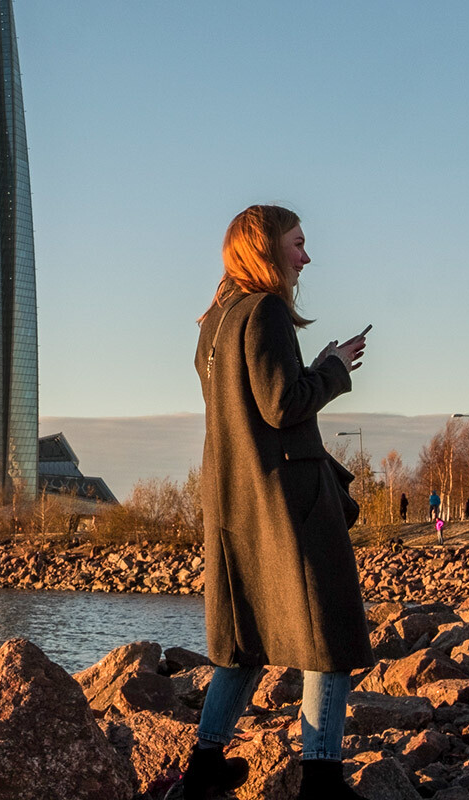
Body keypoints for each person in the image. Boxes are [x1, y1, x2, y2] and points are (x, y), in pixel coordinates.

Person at [180, 204, 373, 800]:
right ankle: (321, 777)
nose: (306, 257)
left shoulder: (215, 320)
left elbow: (256, 406)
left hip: (236, 499)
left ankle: (205, 766)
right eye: (297, 244)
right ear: (265, 247)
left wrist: (315, 366)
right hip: (288, 503)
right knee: (328, 633)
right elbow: (281, 406)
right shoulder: (264, 311)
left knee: (247, 641)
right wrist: (334, 370)